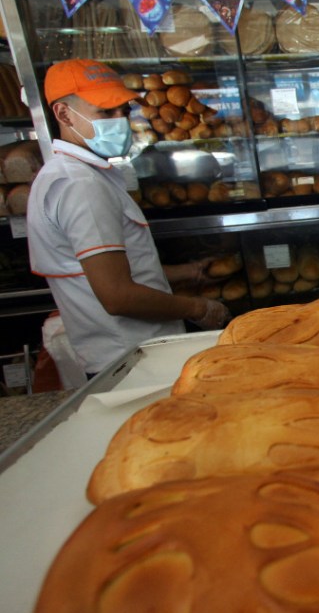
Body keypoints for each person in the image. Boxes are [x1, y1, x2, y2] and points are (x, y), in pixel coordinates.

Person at [27, 59, 229, 377]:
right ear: (64, 113)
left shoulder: (72, 175)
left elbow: (113, 268)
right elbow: (117, 296)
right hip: (132, 359)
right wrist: (198, 308)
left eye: (124, 111)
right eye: (106, 113)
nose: (120, 121)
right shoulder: (80, 185)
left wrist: (190, 272)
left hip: (134, 354)